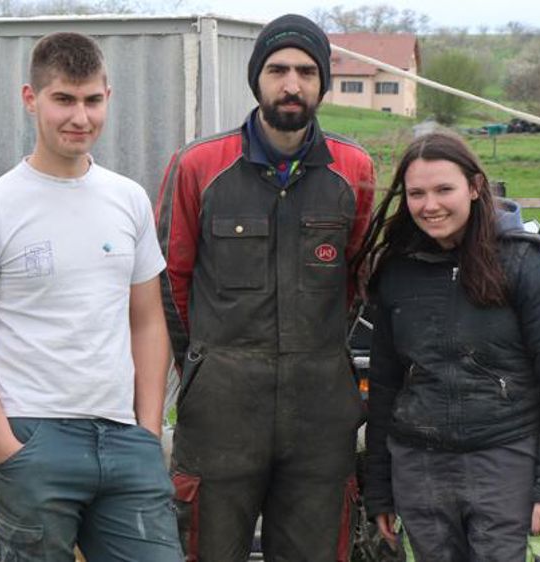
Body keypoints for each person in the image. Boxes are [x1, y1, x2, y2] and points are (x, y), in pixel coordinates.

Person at [0, 32, 182, 562]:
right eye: (64, 100)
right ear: (32, 99)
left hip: (124, 439)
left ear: (108, 98)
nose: (80, 117)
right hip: (34, 434)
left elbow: (146, 320)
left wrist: (146, 429)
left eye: (92, 100)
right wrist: (5, 447)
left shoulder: (129, 200)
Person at [155, 13, 376, 561]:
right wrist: (202, 367)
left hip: (321, 413)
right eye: (278, 69)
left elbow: (360, 279)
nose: (292, 84)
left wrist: (320, 356)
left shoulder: (354, 169)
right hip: (221, 412)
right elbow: (169, 280)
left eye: (306, 71)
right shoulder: (199, 167)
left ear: (323, 81)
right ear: (256, 79)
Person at [362, 132, 540, 561]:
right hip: (420, 469)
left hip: (504, 462)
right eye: (416, 193)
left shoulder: (523, 262)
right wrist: (379, 490)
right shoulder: (396, 271)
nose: (430, 205)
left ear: (475, 186)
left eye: (444, 189)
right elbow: (385, 386)